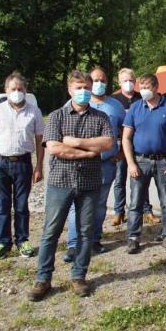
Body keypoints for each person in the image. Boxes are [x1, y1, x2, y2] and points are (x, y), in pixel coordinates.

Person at [28, 71, 114, 301]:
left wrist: (75, 142)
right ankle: (43, 279)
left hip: (90, 182)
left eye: (87, 86)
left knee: (86, 231)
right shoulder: (56, 116)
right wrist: (88, 151)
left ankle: (79, 276)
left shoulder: (101, 117)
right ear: (69, 90)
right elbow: (54, 148)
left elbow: (107, 143)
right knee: (51, 232)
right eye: (79, 87)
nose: (84, 91)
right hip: (60, 182)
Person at [0, 72, 44, 260]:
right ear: (6, 90)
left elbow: (40, 140)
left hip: (23, 163)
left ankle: (22, 240)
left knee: (22, 205)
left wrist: (39, 166)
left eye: (20, 89)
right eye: (13, 89)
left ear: (26, 90)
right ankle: (3, 242)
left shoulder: (34, 112)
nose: (17, 92)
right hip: (0, 163)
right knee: (2, 205)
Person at [64, 67, 126, 262]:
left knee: (99, 205)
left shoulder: (115, 106)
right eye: (95, 80)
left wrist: (120, 154)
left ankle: (94, 240)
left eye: (102, 80)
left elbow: (125, 131)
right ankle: (74, 244)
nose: (99, 83)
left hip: (105, 163)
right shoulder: (72, 104)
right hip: (79, 164)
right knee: (77, 205)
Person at [122, 73, 166, 254]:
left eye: (147, 87)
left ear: (157, 87)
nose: (144, 91)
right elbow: (126, 138)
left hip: (164, 160)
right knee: (135, 202)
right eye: (141, 88)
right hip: (140, 161)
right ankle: (133, 238)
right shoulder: (134, 108)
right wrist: (131, 163)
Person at [110, 68, 154, 226]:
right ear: (119, 82)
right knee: (119, 179)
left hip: (140, 145)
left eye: (130, 80)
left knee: (143, 179)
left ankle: (147, 210)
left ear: (135, 81)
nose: (128, 83)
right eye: (124, 80)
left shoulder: (141, 97)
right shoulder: (113, 101)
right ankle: (118, 211)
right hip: (122, 146)